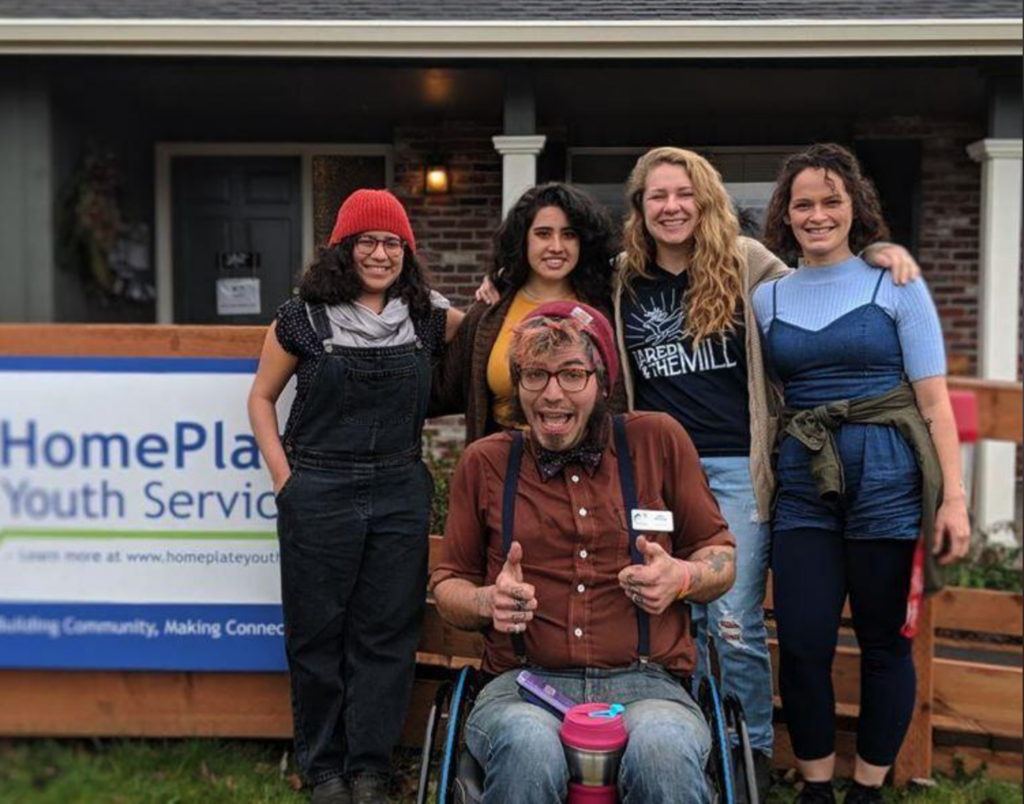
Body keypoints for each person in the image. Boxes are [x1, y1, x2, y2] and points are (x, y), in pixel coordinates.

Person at [611, 146, 923, 795]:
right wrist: (497, 282)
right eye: (656, 196)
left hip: (733, 469)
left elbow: (822, 274)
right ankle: (683, 748)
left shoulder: (748, 263)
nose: (671, 207)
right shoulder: (622, 277)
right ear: (639, 210)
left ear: (704, 200)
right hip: (657, 472)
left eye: (682, 193)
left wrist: (880, 253)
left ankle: (747, 750)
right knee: (669, 614)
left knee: (733, 622)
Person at [431, 301, 738, 804]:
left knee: (662, 750)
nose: (552, 394)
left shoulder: (657, 439)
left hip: (648, 685)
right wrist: (487, 601)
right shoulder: (485, 462)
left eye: (572, 374)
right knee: (529, 749)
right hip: (523, 686)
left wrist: (682, 577)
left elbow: (720, 554)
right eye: (535, 375)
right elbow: (448, 587)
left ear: (601, 381)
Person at [752, 143, 971, 804]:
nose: (817, 215)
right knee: (803, 641)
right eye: (803, 204)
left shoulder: (895, 282)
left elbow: (934, 402)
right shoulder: (766, 299)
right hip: (803, 484)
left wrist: (954, 499)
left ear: (854, 208)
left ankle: (869, 789)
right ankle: (817, 786)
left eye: (830, 201)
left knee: (884, 643)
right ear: (786, 217)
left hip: (889, 480)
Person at [248, 189, 462, 804]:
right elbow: (261, 398)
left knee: (386, 632)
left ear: (407, 251)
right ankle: (323, 769)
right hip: (317, 487)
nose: (380, 252)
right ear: (344, 249)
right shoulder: (302, 317)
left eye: (392, 242)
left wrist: (500, 303)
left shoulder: (427, 314)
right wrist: (285, 479)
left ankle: (370, 768)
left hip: (399, 486)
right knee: (318, 634)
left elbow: (489, 341)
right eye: (367, 241)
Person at [433, 182, 621, 442]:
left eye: (569, 234)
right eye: (543, 234)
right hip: (504, 465)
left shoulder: (607, 307)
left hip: (589, 467)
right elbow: (440, 389)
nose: (556, 246)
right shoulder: (490, 312)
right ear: (522, 240)